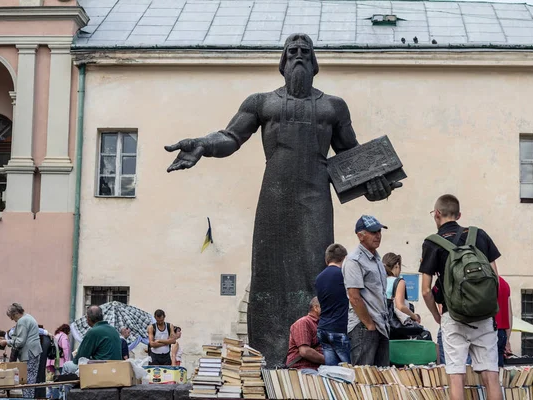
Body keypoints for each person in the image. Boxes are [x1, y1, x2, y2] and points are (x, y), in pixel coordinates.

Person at [164, 33, 400, 365]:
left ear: (315, 62)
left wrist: (378, 183)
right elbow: (231, 137)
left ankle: (311, 352)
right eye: (293, 52)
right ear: (283, 61)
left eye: (305, 52)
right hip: (273, 196)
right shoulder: (262, 102)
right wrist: (203, 144)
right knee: (267, 273)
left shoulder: (333, 106)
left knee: (314, 270)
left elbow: (352, 156)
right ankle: (270, 356)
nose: (299, 57)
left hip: (315, 196)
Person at [420, 194, 502, 400]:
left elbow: (426, 290)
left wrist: (438, 317)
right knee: (491, 376)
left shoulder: (432, 243)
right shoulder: (479, 235)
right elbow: (496, 279)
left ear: (437, 214)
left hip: (453, 316)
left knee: (457, 376)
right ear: (459, 215)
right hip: (483, 317)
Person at [343, 215, 390, 367]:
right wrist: (369, 325)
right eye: (373, 232)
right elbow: (354, 297)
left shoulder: (376, 258)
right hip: (364, 327)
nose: (378, 235)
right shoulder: (354, 260)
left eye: (379, 231)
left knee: (381, 379)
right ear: (360, 235)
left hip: (379, 325)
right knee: (364, 378)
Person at [315, 243, 351, 365]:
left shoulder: (319, 277)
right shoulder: (343, 275)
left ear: (327, 259)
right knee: (349, 371)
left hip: (323, 328)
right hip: (339, 328)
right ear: (344, 258)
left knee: (332, 373)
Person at [0, 303, 42, 399]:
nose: (12, 319)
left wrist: (6, 342)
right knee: (31, 379)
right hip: (34, 351)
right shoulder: (28, 317)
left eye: (12, 317)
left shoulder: (22, 321)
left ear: (16, 313)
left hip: (29, 353)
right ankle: (29, 398)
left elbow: (20, 341)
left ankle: (28, 399)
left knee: (27, 380)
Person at [63, 306, 122, 373]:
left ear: (88, 318)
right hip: (115, 367)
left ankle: (67, 384)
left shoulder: (93, 332)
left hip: (99, 368)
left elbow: (80, 358)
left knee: (67, 366)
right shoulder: (113, 330)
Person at [285, 297, 324, 372]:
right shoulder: (303, 322)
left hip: (321, 369)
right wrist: (329, 361)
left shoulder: (324, 325)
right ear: (316, 307)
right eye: (327, 305)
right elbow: (305, 351)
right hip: (303, 368)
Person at [383, 253, 421, 324]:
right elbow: (400, 306)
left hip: (381, 324)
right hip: (394, 326)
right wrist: (415, 316)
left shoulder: (379, 280)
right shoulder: (398, 282)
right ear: (397, 265)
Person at [47, 324, 71, 399]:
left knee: (54, 380)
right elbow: (65, 349)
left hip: (52, 360)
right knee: (60, 380)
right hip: (60, 362)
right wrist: (67, 361)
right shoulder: (64, 337)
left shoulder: (56, 335)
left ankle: (52, 396)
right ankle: (57, 397)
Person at [496, 276, 513, 367]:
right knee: (498, 369)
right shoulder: (504, 284)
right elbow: (509, 314)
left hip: (484, 330)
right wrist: (507, 339)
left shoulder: (482, 281)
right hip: (501, 332)